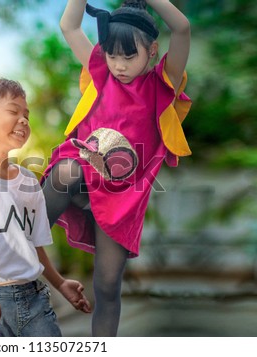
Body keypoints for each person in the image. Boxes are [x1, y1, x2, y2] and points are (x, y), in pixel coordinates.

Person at [41, 0, 192, 336]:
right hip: (81, 174)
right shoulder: (101, 73)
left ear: (152, 51)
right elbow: (69, 26)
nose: (119, 65)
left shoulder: (161, 84)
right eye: (112, 55)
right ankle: (22, 239)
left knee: (107, 285)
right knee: (66, 171)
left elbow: (181, 28)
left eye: (129, 56)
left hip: (122, 198)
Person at [0, 78, 91, 337]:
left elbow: (32, 245)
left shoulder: (28, 181)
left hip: (33, 296)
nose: (23, 120)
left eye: (26, 115)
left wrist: (60, 283)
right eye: (13, 111)